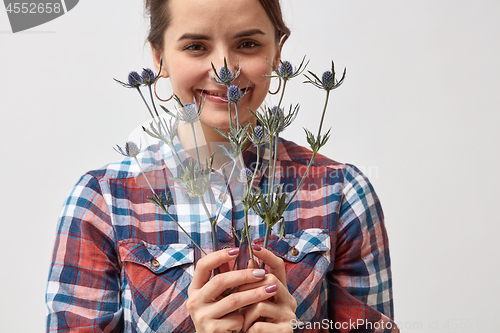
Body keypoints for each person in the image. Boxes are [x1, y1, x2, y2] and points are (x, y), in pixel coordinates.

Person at [45, 0, 397, 332]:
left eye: (247, 44)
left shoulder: (342, 192)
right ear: (159, 57)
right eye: (196, 47)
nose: (225, 70)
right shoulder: (103, 200)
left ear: (277, 53)